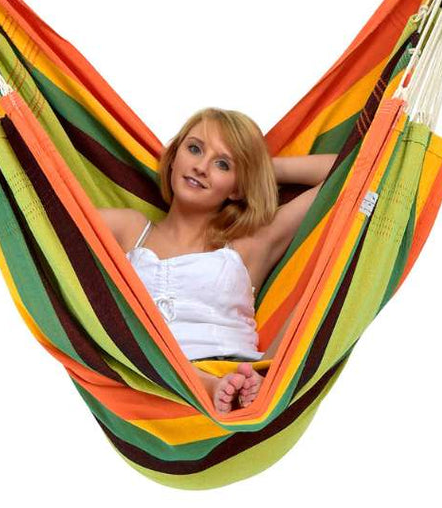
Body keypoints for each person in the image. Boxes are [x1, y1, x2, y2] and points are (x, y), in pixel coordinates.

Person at [99, 107, 337, 415]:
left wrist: (257, 170)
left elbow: (347, 171)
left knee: (325, 291)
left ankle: (260, 384)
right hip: (148, 378)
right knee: (110, 327)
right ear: (174, 156)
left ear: (237, 187)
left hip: (240, 374)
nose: (201, 167)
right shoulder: (129, 229)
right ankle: (203, 385)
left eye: (222, 164)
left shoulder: (249, 244)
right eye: (194, 149)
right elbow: (51, 220)